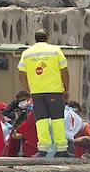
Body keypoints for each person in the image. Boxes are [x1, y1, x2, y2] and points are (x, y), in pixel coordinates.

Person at [18, 28, 70, 157]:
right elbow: (64, 71)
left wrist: (27, 89)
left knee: (41, 120)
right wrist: (66, 88)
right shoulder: (55, 50)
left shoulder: (27, 53)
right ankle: (61, 149)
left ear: (35, 39)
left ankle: (43, 149)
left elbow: (21, 73)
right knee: (57, 119)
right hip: (54, 91)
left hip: (36, 92)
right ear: (47, 38)